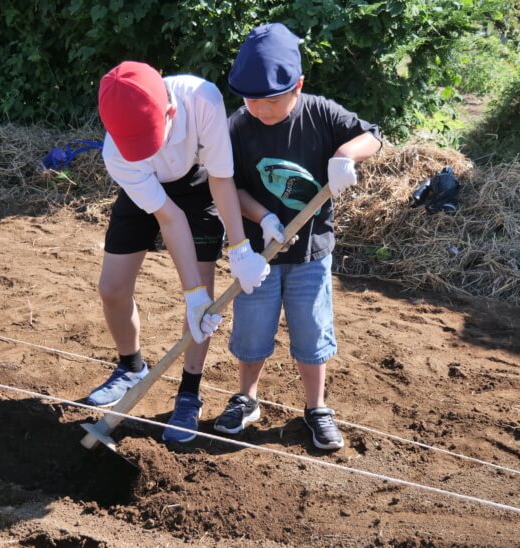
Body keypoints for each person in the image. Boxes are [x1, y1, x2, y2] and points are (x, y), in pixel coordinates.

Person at [213, 23, 382, 450]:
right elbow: (228, 184)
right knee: (252, 329)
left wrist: (345, 155)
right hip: (258, 253)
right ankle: (246, 397)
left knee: (310, 330)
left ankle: (316, 407)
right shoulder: (238, 127)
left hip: (311, 253)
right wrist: (264, 216)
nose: (258, 108)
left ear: (298, 86)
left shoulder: (320, 114)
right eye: (249, 98)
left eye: (270, 100)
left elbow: (373, 136)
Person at [88, 61, 269, 444]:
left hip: (197, 184)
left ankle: (189, 392)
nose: (140, 150)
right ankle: (131, 368)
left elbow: (221, 177)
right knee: (112, 288)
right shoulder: (118, 153)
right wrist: (191, 295)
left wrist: (239, 248)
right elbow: (168, 219)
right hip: (147, 192)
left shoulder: (202, 99)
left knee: (203, 294)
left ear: (170, 111)